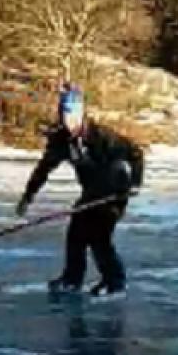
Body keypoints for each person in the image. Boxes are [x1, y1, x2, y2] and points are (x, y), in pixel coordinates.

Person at [16, 82, 144, 296]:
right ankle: (72, 279)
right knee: (76, 233)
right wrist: (28, 196)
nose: (68, 123)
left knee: (99, 236)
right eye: (64, 117)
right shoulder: (62, 141)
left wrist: (135, 184)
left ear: (81, 114)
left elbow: (136, 153)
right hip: (92, 191)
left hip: (115, 192)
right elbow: (43, 169)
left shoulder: (102, 136)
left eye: (72, 117)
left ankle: (115, 282)